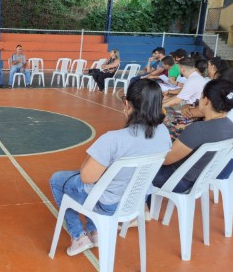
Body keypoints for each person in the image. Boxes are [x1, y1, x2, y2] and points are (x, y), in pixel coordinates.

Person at [49, 79, 171, 256]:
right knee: (96, 182)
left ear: (127, 104)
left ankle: (78, 236)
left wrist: (88, 161)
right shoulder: (163, 132)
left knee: (57, 180)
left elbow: (87, 177)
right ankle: (94, 231)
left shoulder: (113, 139)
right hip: (134, 201)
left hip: (108, 204)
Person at [153, 79, 233, 192]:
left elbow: (165, 160)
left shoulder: (198, 129)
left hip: (177, 180)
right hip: (198, 180)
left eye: (201, 96)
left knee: (136, 168)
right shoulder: (229, 126)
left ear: (206, 101)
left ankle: (143, 204)